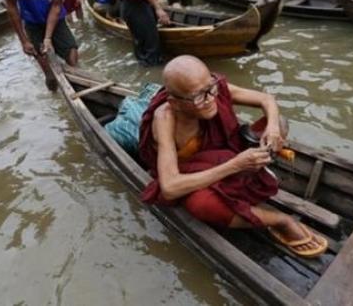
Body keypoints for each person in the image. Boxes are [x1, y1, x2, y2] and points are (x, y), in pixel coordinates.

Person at [139, 55, 328, 258]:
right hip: (193, 176)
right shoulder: (165, 118)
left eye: (211, 88)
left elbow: (266, 99)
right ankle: (280, 220)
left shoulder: (214, 89)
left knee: (279, 124)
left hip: (225, 158)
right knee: (201, 205)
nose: (211, 99)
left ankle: (251, 174)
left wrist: (272, 128)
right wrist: (235, 165)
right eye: (198, 97)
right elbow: (169, 188)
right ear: (175, 103)